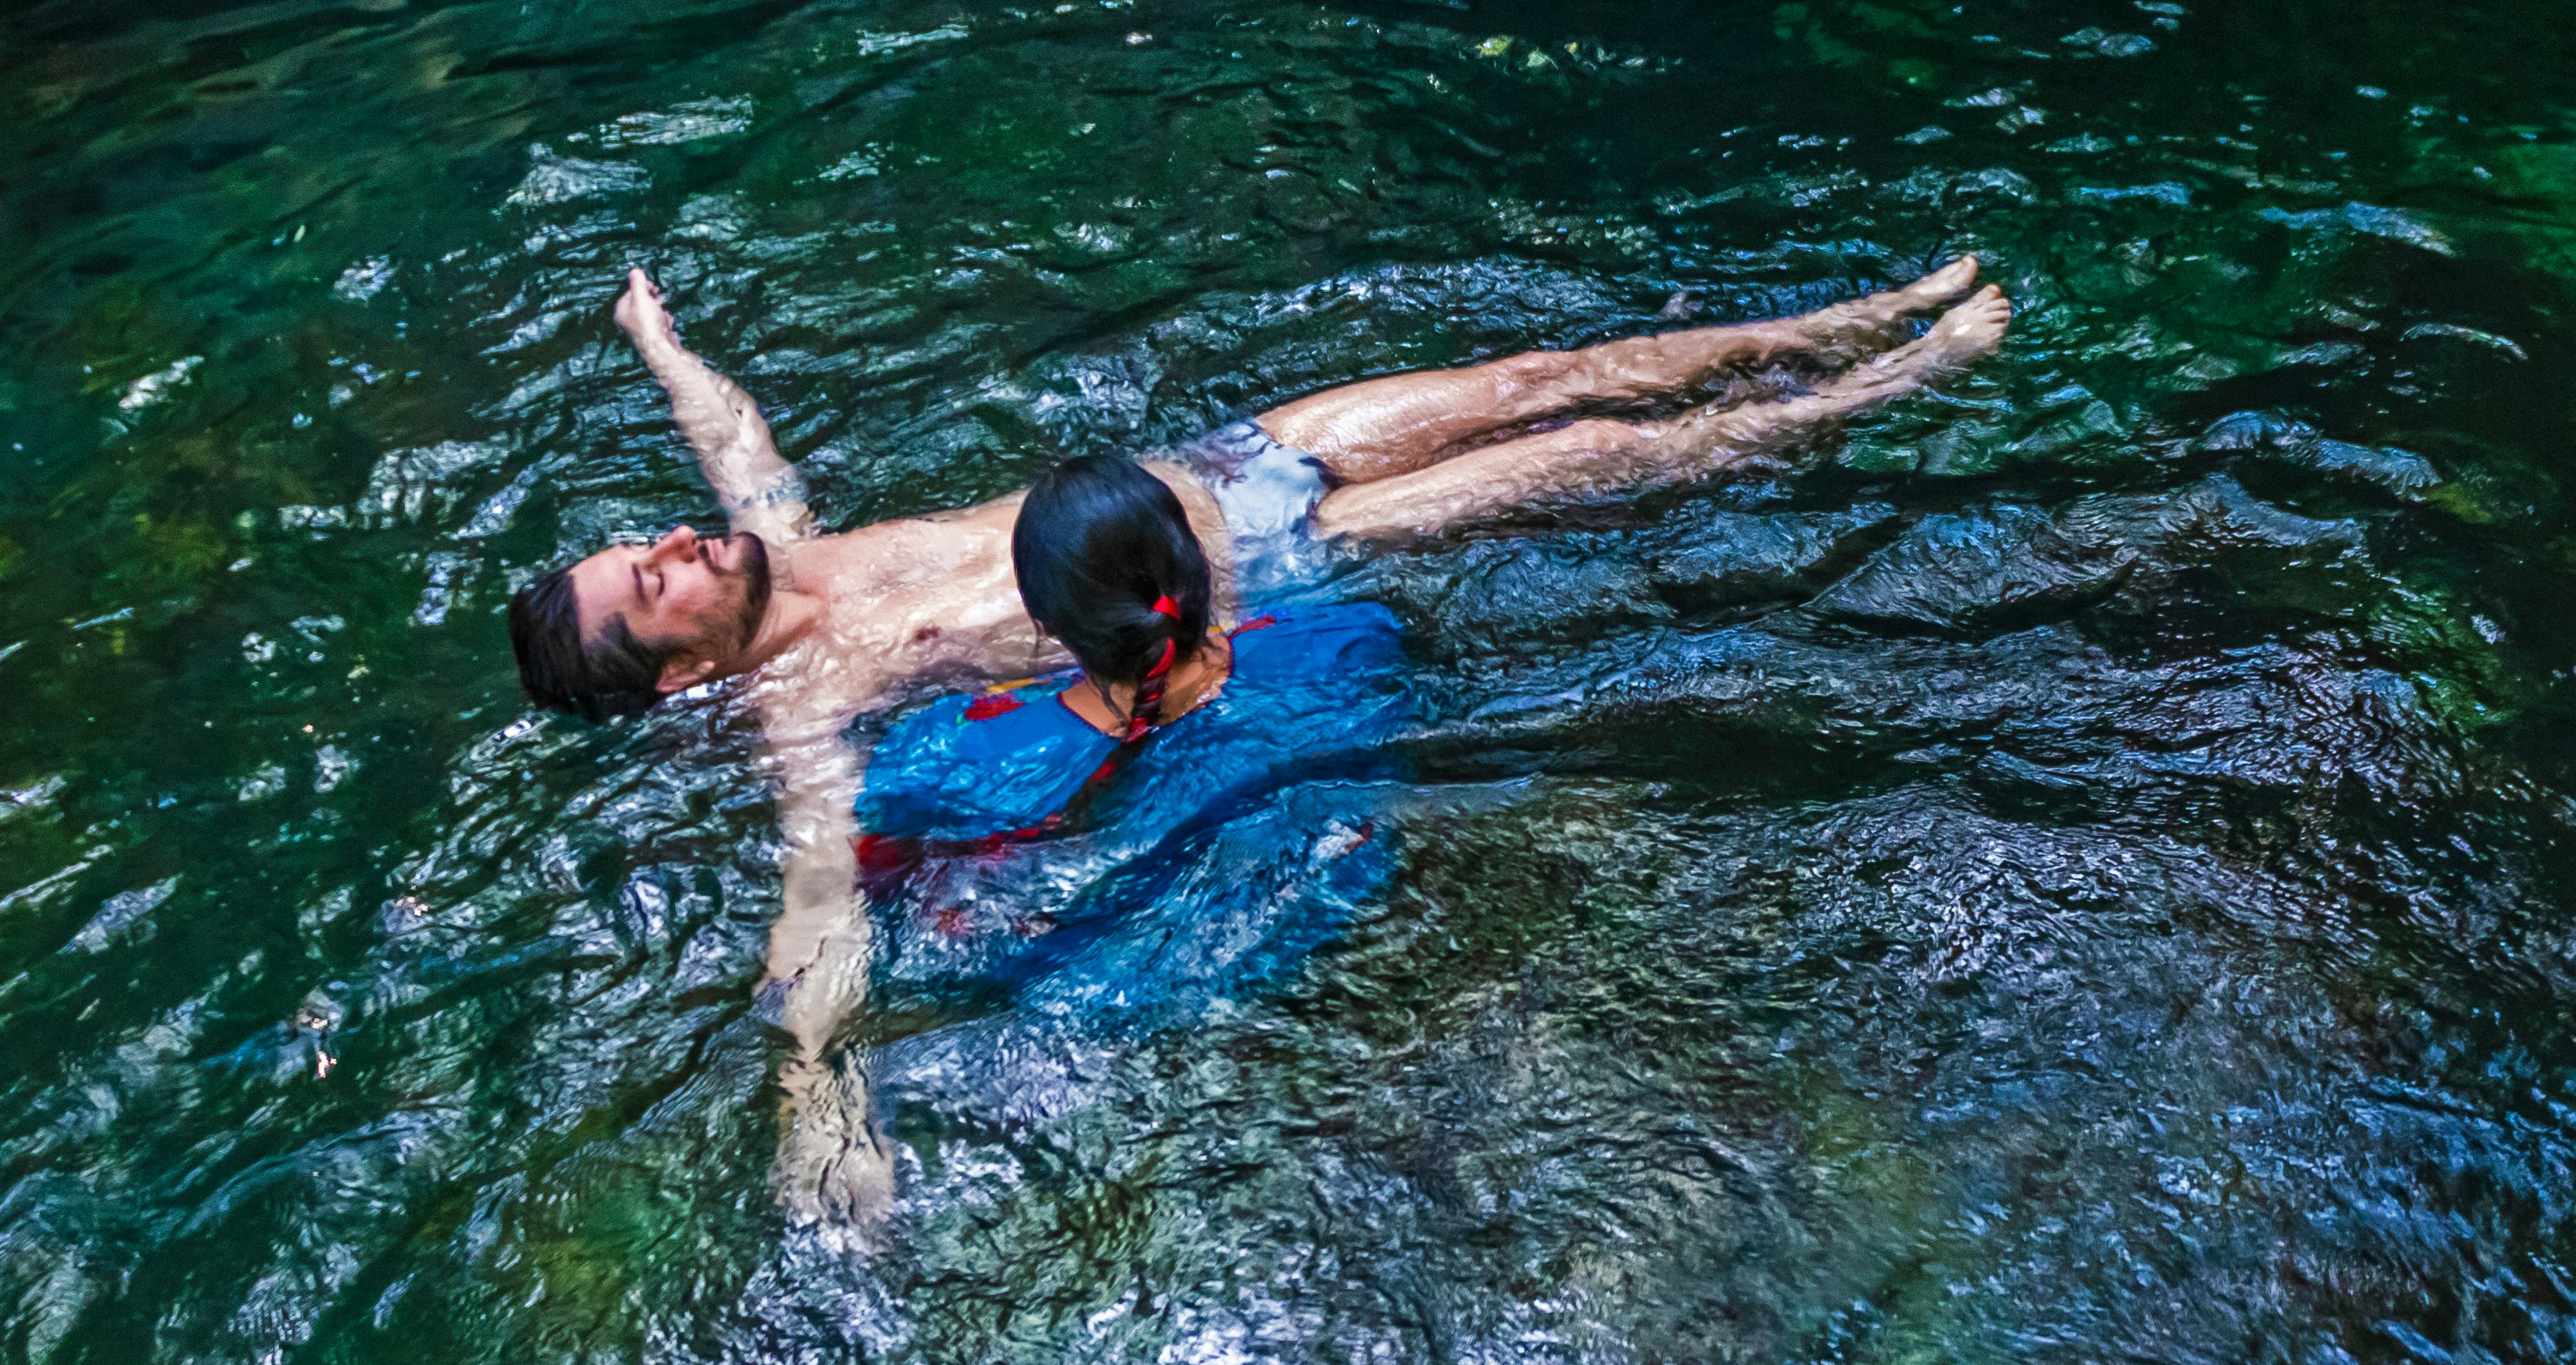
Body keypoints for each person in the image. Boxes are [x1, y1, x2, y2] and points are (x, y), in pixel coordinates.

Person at [507, 256, 2012, 1226]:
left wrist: (657, 337)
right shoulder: (806, 709)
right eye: (656, 581)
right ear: (673, 677)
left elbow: (732, 437)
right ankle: (1900, 381)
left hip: (1235, 461)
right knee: (1598, 459)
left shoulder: (780, 540)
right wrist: (817, 1100)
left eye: (651, 544)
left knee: (1543, 378)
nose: (679, 545)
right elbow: (816, 913)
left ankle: (1851, 319)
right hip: (1255, 570)